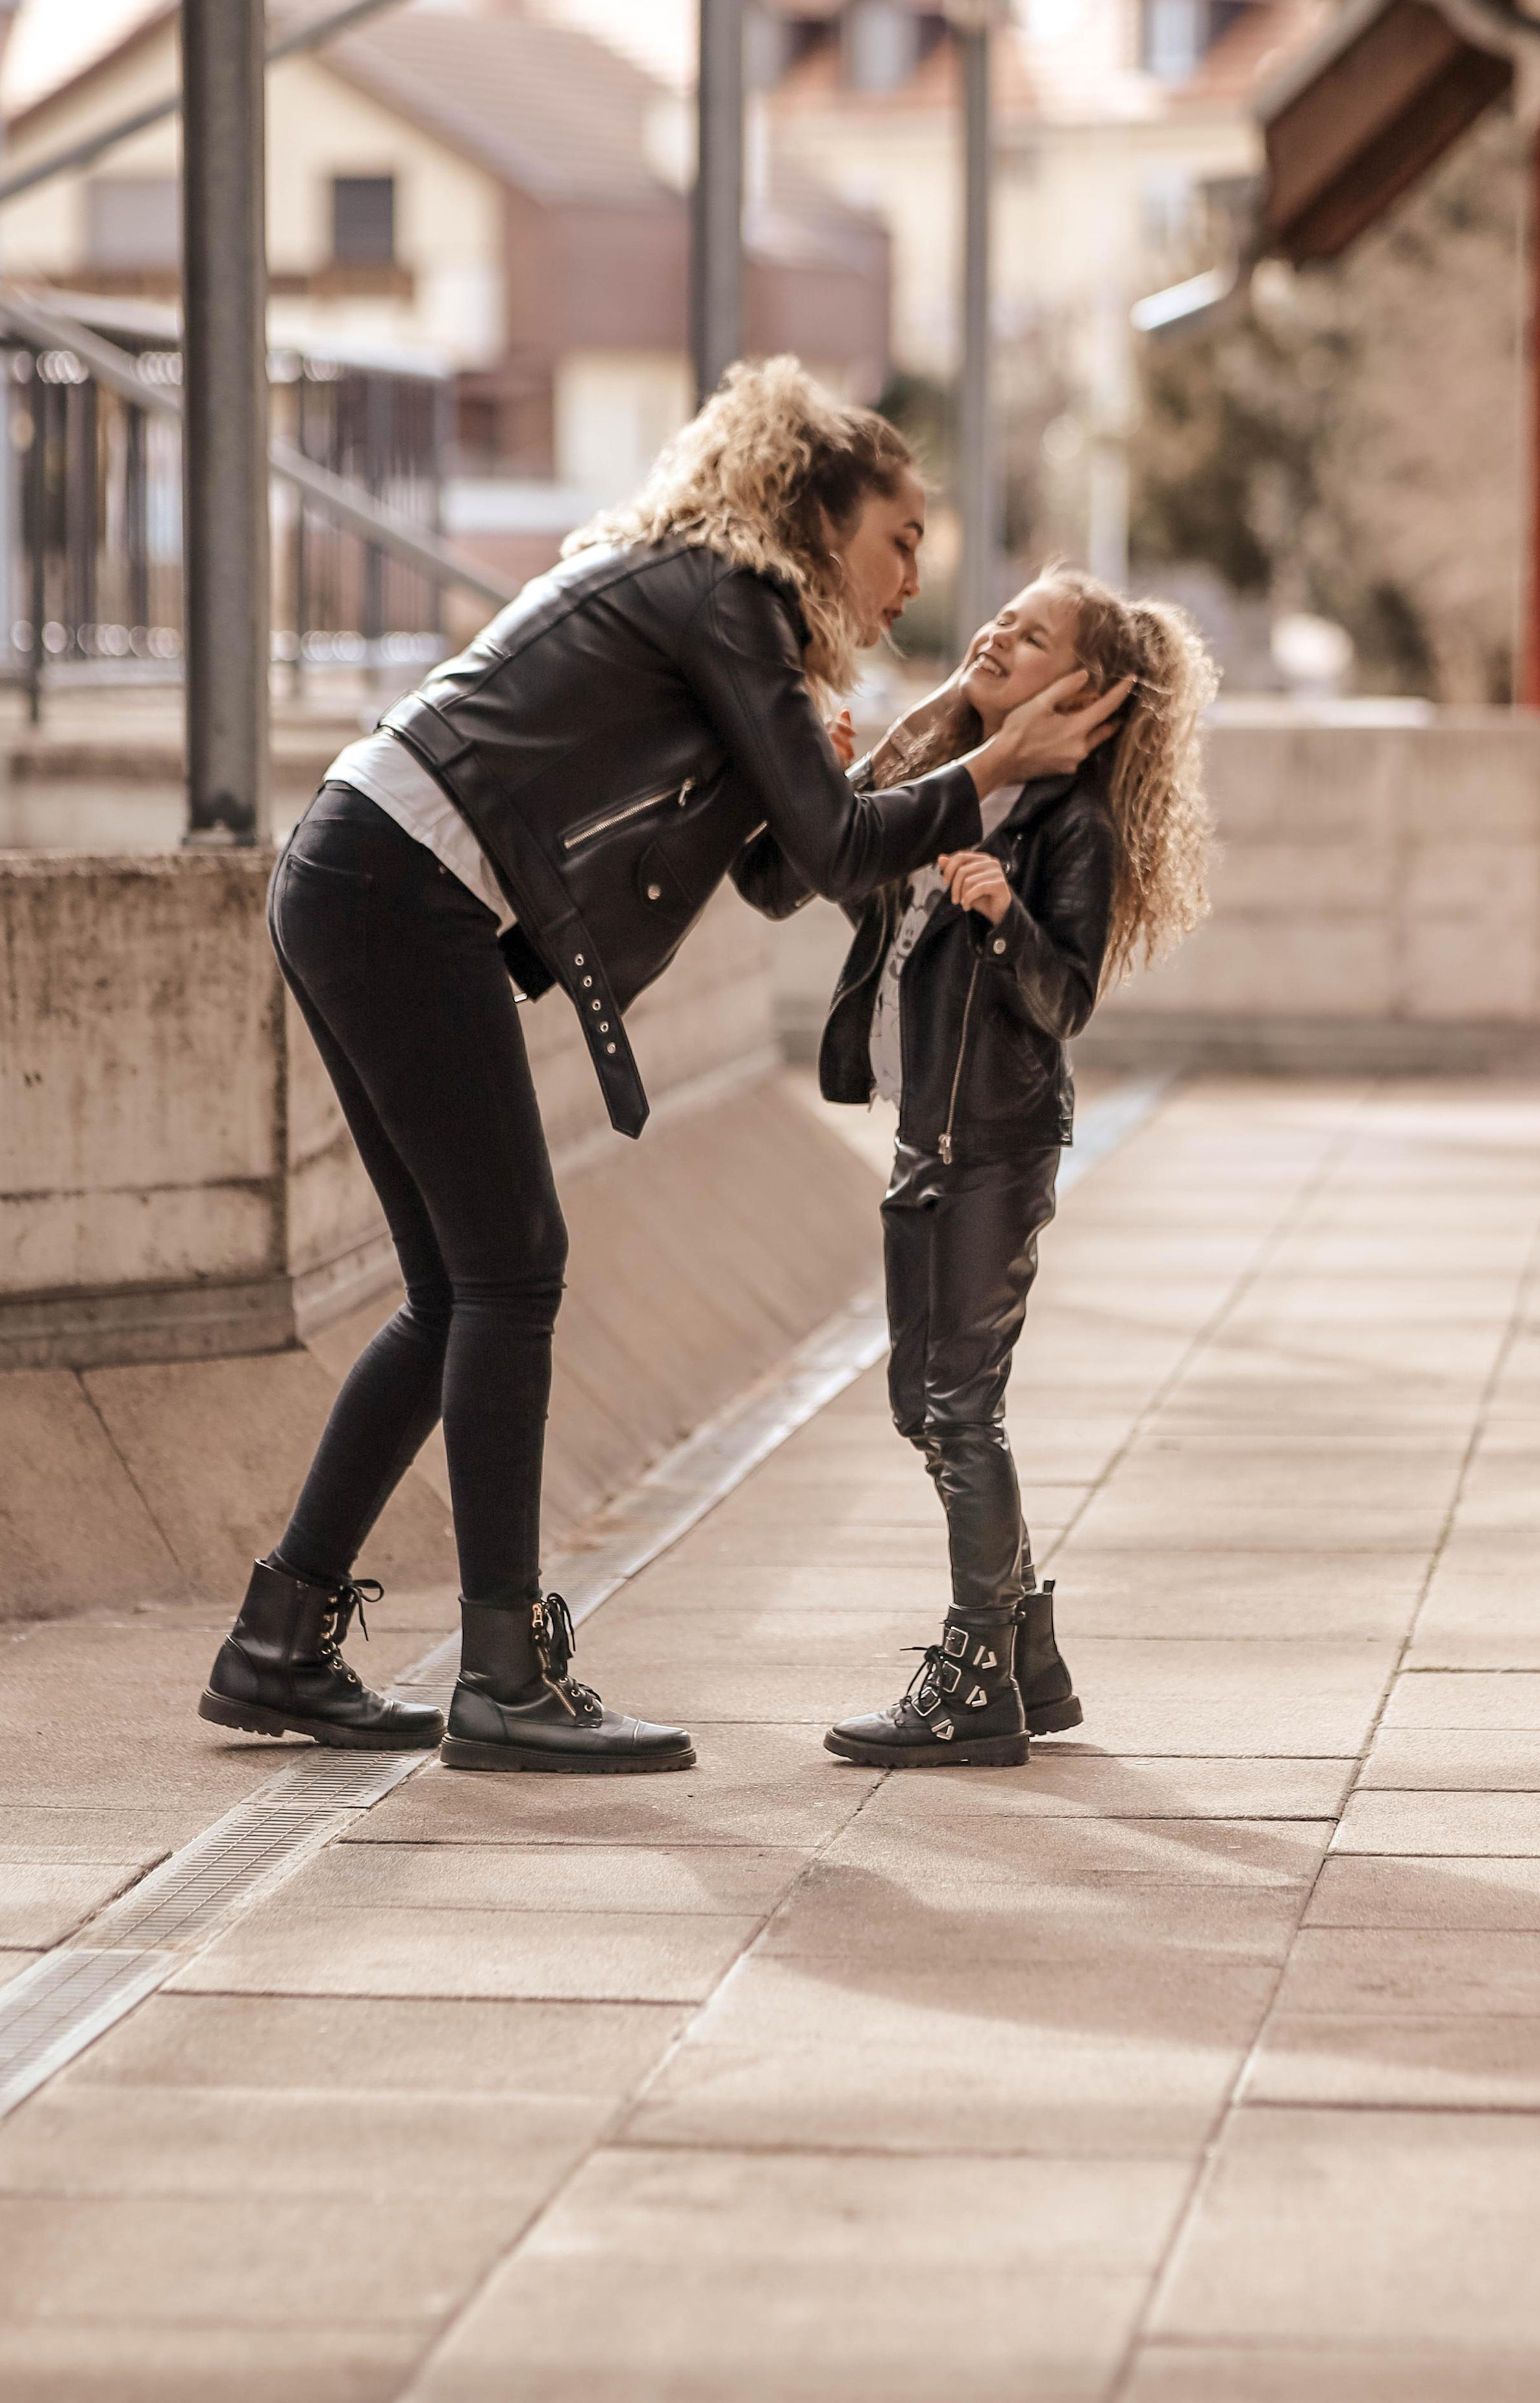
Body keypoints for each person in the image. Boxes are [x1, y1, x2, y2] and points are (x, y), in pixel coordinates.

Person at [199, 364, 1130, 1776]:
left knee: (459, 1286)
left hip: (363, 870)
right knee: (508, 1272)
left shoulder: (716, 608)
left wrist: (943, 730)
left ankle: (282, 1638)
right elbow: (831, 853)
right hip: (395, 886)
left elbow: (772, 874)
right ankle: (501, 1669)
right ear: (821, 516)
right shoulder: (725, 601)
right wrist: (990, 757)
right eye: (899, 539)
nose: (911, 578)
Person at [737, 561, 1216, 1768]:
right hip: (924, 1133)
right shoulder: (950, 784)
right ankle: (1028, 1658)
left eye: (1034, 632)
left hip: (997, 1144)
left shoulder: (1074, 826)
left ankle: (976, 1669)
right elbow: (776, 883)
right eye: (1005, 614)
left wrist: (1005, 916)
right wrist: (856, 761)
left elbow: (1066, 1003)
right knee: (926, 1404)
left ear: (1088, 694)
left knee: (958, 1408)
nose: (999, 629)